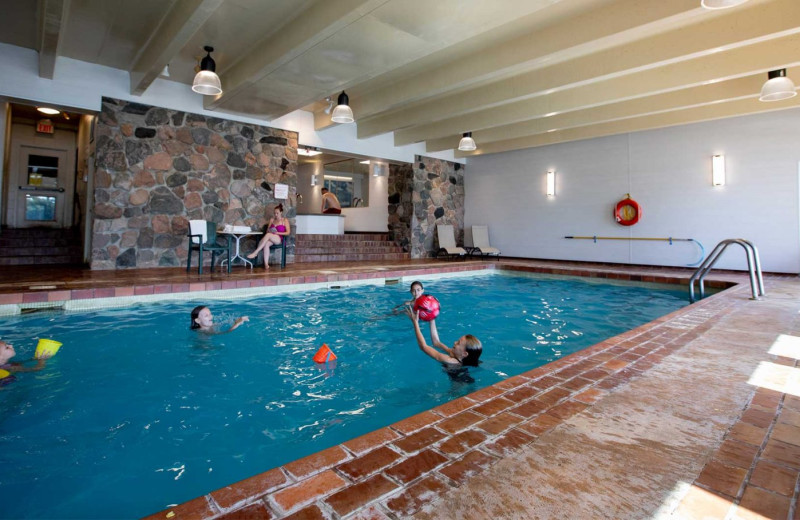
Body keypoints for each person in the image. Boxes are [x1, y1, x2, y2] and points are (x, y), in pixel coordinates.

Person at [405, 307, 482, 367]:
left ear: (464, 354)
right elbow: (436, 342)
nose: (454, 342)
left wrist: (415, 322)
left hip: (459, 382)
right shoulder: (455, 354)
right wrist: (432, 318)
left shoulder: (449, 360)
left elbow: (423, 347)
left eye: (458, 343)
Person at [247, 204, 290, 269]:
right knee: (266, 243)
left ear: (281, 212)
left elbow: (288, 232)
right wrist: (270, 231)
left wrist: (277, 232)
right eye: (274, 213)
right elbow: (267, 230)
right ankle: (266, 265)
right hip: (270, 237)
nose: (275, 215)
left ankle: (256, 252)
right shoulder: (272, 220)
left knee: (268, 235)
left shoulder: (284, 220)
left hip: (279, 238)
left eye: (277, 213)